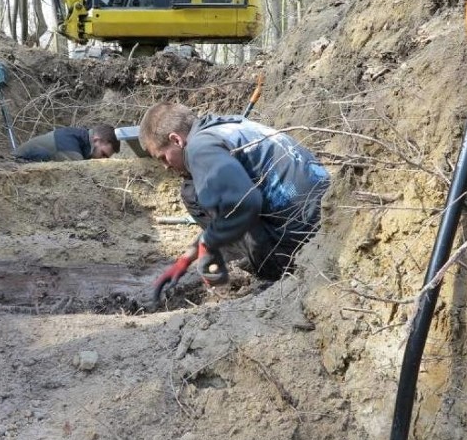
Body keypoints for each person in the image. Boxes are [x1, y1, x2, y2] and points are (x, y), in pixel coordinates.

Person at [138, 102, 330, 301]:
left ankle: (274, 276)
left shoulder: (198, 148)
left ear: (176, 140)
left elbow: (244, 205)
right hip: (329, 216)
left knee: (192, 192)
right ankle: (251, 259)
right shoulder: (231, 126)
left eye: (162, 158)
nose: (166, 166)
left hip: (304, 239)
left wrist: (209, 245)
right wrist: (187, 258)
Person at [14, 124, 120, 162]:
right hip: (13, 165)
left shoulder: (77, 138)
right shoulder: (71, 146)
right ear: (96, 139)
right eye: (103, 154)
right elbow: (82, 176)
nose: (103, 160)